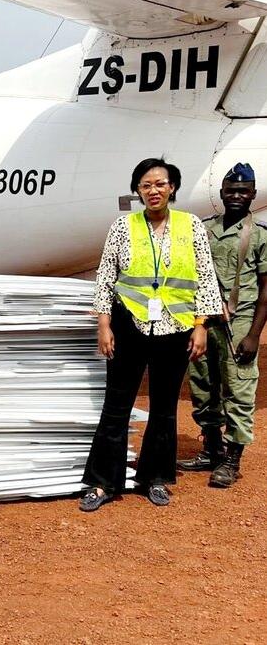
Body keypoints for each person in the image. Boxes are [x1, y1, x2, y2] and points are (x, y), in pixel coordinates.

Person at [79, 158, 222, 511]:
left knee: (163, 408)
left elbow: (205, 276)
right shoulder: (123, 227)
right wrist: (103, 323)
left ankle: (154, 478)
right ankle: (101, 483)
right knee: (117, 405)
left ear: (172, 187)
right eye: (145, 185)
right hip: (130, 323)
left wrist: (202, 325)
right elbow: (105, 275)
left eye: (160, 183)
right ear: (137, 190)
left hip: (176, 326)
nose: (153, 190)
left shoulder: (191, 227)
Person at [180, 163, 267, 488]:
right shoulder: (202, 230)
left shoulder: (259, 235)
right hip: (203, 322)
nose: (236, 196)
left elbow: (265, 290)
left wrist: (254, 336)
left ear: (252, 195)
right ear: (221, 193)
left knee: (239, 391)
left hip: (239, 325)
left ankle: (232, 459)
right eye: (230, 190)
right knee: (203, 387)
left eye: (243, 191)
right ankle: (212, 449)